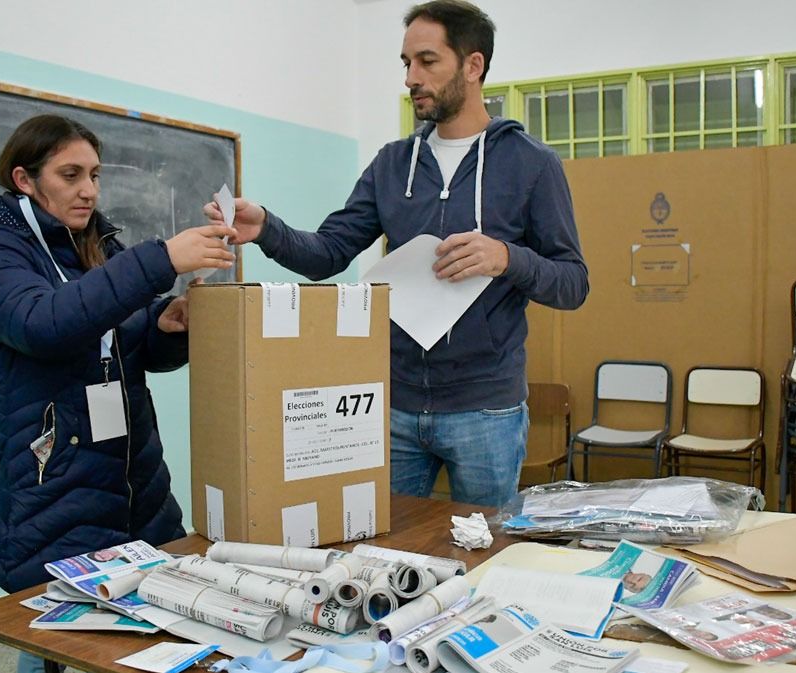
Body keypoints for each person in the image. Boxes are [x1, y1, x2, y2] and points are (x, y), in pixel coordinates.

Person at [206, 0, 589, 507]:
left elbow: (572, 283)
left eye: (427, 61)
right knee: (385, 555)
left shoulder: (531, 164)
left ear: (473, 66)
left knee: (480, 557)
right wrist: (268, 229)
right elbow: (329, 252)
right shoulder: (392, 163)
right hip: (393, 405)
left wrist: (506, 257)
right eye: (406, 63)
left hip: (486, 412)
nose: (411, 77)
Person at [0, 114, 236, 673]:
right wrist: (160, 260)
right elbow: (44, 324)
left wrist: (166, 327)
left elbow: (124, 345)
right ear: (25, 179)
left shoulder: (97, 244)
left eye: (95, 174)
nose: (89, 189)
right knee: (55, 628)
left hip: (133, 481)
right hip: (53, 484)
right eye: (70, 174)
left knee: (142, 635)